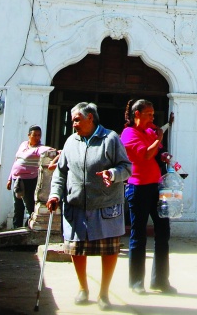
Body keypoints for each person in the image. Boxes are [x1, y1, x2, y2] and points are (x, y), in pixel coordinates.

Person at [46, 102, 131, 311]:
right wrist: (55, 194)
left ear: (90, 118)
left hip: (106, 204)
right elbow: (61, 172)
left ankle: (103, 292)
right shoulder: (70, 142)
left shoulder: (110, 139)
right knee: (76, 249)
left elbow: (126, 167)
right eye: (73, 119)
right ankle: (83, 288)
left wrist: (112, 174)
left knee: (109, 250)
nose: (73, 123)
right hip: (76, 204)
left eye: (77, 119)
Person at [121, 99, 176, 295]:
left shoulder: (151, 132)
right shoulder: (129, 134)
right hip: (138, 188)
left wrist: (163, 154)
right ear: (137, 114)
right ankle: (136, 281)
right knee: (139, 234)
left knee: (163, 233)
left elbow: (156, 153)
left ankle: (160, 281)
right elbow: (144, 154)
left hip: (157, 186)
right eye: (149, 114)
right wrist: (158, 140)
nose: (153, 118)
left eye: (153, 115)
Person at [7, 125, 52, 228]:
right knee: (17, 206)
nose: (37, 137)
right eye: (34, 135)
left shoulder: (39, 148)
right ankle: (16, 229)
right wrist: (9, 179)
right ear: (29, 135)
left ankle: (27, 228)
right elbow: (16, 161)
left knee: (29, 207)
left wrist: (57, 152)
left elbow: (48, 150)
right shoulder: (23, 145)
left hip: (29, 181)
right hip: (17, 179)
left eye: (39, 135)